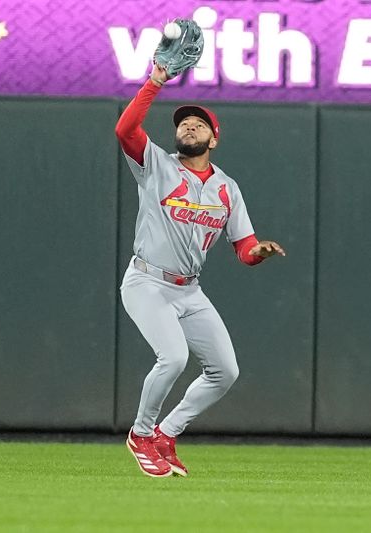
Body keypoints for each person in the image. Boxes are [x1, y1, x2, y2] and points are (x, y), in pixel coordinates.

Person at [115, 63, 285, 478]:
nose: (189, 128)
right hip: (147, 282)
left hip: (189, 291)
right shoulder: (156, 165)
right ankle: (140, 435)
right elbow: (125, 131)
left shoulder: (226, 187)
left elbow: (243, 248)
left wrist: (258, 252)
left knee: (225, 372)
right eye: (184, 124)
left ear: (214, 138)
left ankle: (165, 434)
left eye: (198, 125)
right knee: (173, 357)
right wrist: (156, 81)